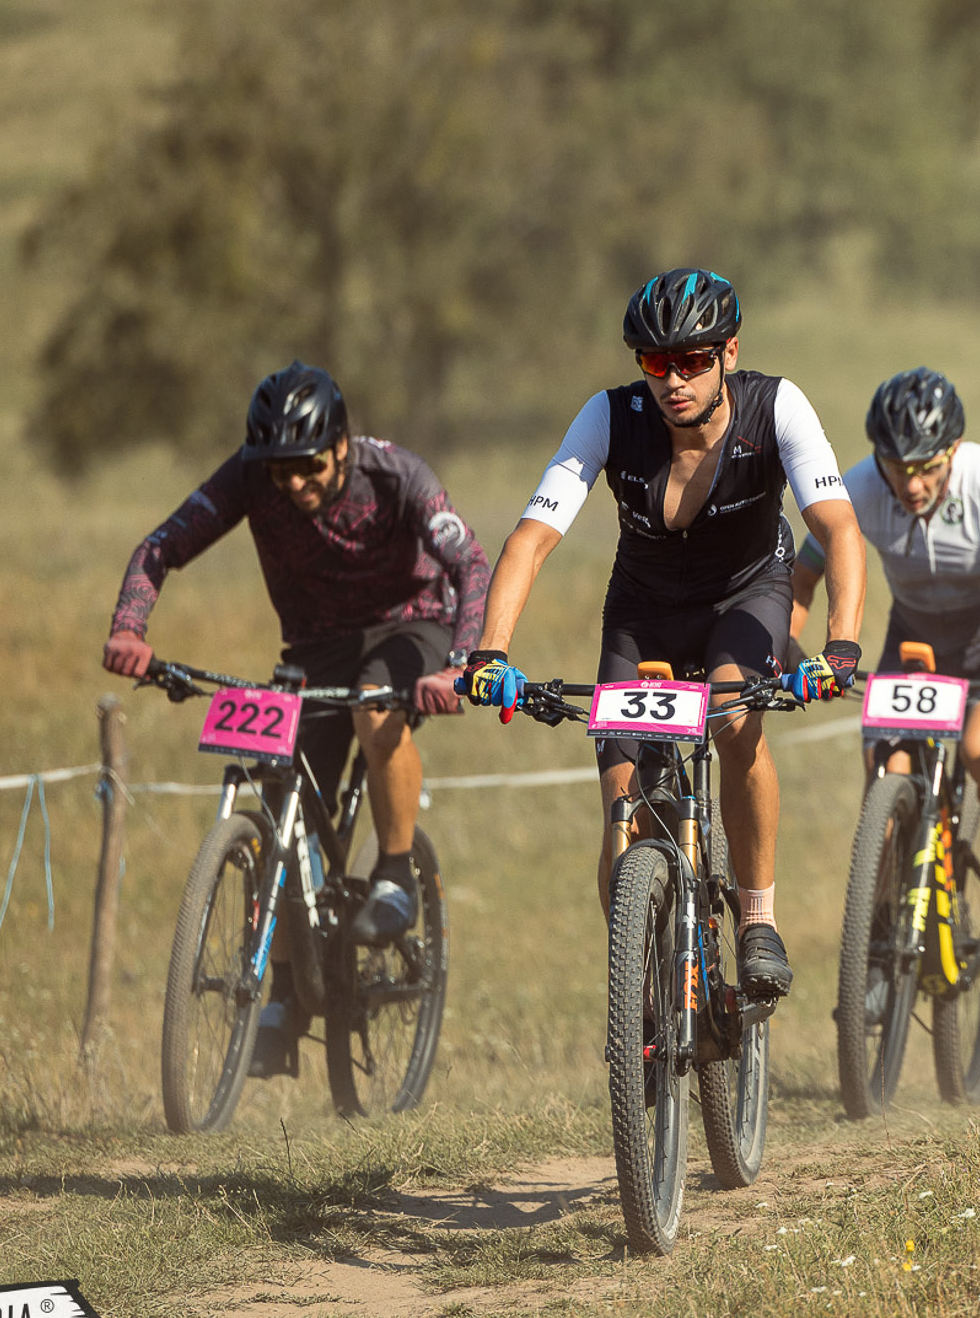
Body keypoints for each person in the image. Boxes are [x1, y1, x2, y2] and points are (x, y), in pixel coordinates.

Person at [466, 271, 865, 1008]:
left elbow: (838, 528)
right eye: (655, 362)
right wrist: (490, 653)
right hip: (644, 609)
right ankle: (640, 994)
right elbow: (530, 539)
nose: (673, 380)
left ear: (728, 354)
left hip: (746, 595)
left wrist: (839, 647)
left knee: (734, 718)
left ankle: (757, 919)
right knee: (621, 800)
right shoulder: (610, 416)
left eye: (692, 361)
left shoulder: (777, 406)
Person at [103, 360, 486, 1057]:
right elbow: (162, 545)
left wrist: (460, 665)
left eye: (310, 466)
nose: (297, 483)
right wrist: (130, 627)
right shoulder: (251, 478)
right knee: (280, 794)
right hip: (315, 645)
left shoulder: (397, 475)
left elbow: (470, 564)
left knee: (374, 709)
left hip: (411, 627)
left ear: (341, 445)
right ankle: (283, 990)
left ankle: (395, 874)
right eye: (282, 471)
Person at [791, 370, 980, 951]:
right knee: (885, 781)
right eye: (897, 466)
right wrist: (787, 650)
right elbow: (801, 578)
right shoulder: (859, 486)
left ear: (953, 450)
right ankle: (881, 940)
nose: (912, 483)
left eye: (927, 466)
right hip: (918, 638)